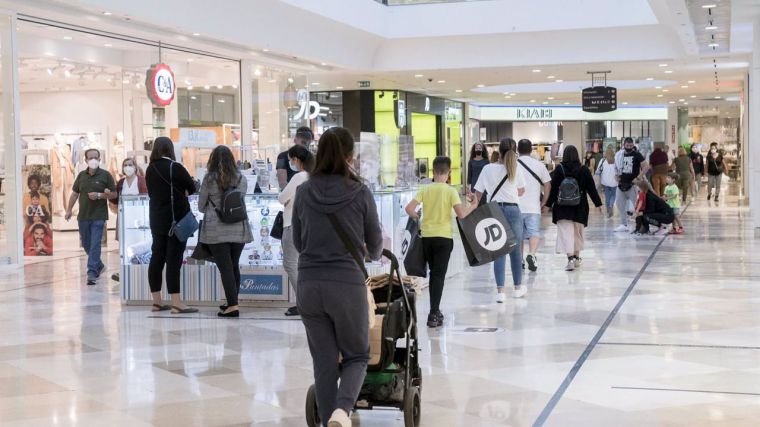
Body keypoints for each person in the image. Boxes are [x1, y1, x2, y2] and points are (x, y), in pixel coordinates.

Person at [292, 127, 383, 427]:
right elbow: (375, 244)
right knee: (357, 355)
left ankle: (330, 418)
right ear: (350, 156)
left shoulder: (304, 191)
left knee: (324, 359)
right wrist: (369, 252)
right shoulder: (360, 191)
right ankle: (342, 412)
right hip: (346, 284)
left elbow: (298, 241)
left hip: (308, 285)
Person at [405, 157, 476, 327]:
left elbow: (409, 209)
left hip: (427, 238)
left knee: (432, 274)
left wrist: (418, 216)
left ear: (432, 171)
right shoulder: (450, 191)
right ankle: (433, 313)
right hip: (444, 238)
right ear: (449, 172)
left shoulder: (425, 189)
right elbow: (462, 214)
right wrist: (474, 205)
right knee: (438, 276)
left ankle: (435, 311)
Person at [198, 145, 253, 318]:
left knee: (225, 268)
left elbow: (200, 206)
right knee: (233, 265)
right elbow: (240, 200)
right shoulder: (241, 178)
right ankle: (232, 302)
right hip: (238, 227)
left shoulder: (208, 179)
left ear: (212, 160)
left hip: (216, 230)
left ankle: (233, 306)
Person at [145, 137, 198, 314]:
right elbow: (192, 188)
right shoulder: (174, 167)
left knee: (157, 258)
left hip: (156, 220)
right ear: (170, 149)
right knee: (173, 260)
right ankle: (176, 302)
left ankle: (156, 302)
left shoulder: (150, 169)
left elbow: (152, 192)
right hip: (176, 222)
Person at [474, 138, 527, 301]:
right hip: (513, 209)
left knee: (499, 251)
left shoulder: (487, 168)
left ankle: (500, 292)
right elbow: (522, 190)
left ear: (499, 152)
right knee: (515, 250)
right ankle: (518, 288)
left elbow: (478, 193)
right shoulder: (516, 168)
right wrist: (509, 193)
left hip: (494, 209)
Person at [546, 146, 603, 271]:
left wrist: (547, 205)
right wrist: (598, 204)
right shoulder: (584, 169)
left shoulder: (559, 170)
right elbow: (591, 189)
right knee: (577, 234)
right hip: (580, 207)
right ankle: (577, 258)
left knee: (566, 234)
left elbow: (554, 189)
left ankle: (571, 259)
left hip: (562, 208)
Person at [65, 148, 116, 286]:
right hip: (83, 216)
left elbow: (114, 194)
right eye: (90, 157)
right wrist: (69, 209)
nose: (93, 160)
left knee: (95, 245)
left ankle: (92, 272)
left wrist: (100, 195)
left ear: (100, 159)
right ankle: (99, 265)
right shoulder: (81, 175)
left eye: (96, 157)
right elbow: (75, 194)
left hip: (99, 216)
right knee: (87, 244)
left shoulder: (106, 175)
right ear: (86, 160)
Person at [278, 144, 315, 317]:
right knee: (300, 265)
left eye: (291, 159)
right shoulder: (313, 176)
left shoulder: (299, 177)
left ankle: (303, 302)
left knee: (290, 264)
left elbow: (282, 197)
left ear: (296, 160)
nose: (290, 162)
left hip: (292, 224)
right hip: (308, 225)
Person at [109, 157, 148, 282]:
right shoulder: (121, 183)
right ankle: (123, 269)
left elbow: (146, 197)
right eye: (125, 165)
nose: (128, 167)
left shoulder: (141, 181)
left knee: (138, 242)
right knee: (123, 244)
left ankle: (139, 268)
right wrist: (108, 194)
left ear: (135, 167)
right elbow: (116, 199)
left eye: (130, 164)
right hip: (123, 216)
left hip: (138, 216)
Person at [516, 139, 551, 272]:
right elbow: (548, 185)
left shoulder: (513, 165)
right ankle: (532, 254)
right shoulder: (539, 165)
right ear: (531, 150)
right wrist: (544, 202)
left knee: (518, 234)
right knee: (534, 232)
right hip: (533, 207)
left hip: (516, 206)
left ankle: (519, 259)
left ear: (518, 150)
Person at [614, 137, 648, 232]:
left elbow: (646, 166)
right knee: (620, 204)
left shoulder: (637, 154)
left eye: (630, 145)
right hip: (621, 184)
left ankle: (642, 225)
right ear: (623, 145)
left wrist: (639, 177)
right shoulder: (619, 155)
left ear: (633, 145)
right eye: (627, 145)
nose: (629, 147)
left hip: (633, 185)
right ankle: (623, 224)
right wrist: (616, 176)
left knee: (638, 205)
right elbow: (616, 167)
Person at [276, 126, 313, 190]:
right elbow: (282, 183)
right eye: (303, 142)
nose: (305, 146)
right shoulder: (281, 157)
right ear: (295, 140)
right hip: (289, 196)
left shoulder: (311, 158)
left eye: (307, 144)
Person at [596, 147, 617, 218]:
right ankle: (611, 205)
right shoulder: (616, 160)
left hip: (605, 182)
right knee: (613, 195)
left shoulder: (603, 160)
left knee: (607, 196)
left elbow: (598, 171)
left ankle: (608, 212)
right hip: (614, 182)